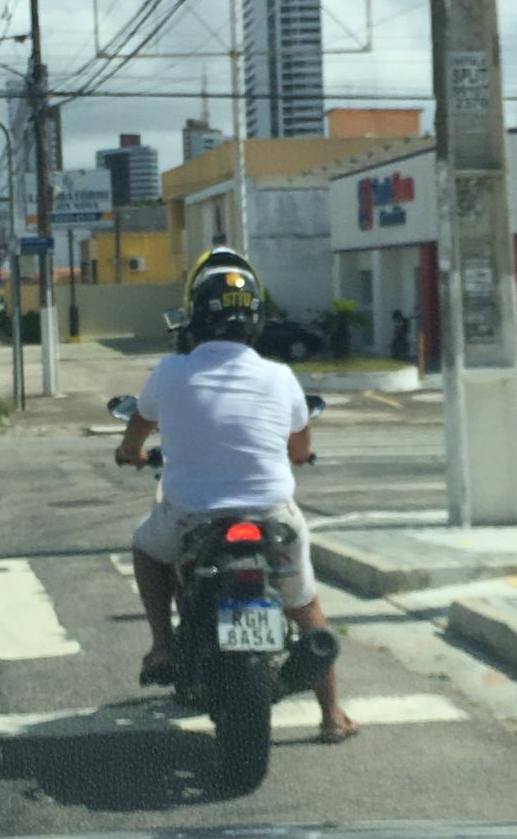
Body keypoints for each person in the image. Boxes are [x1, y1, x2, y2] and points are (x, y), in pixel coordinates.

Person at [115, 246, 358, 744]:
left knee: (145, 549)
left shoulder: (169, 372)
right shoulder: (280, 376)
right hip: (272, 517)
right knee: (305, 603)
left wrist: (131, 452)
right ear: (255, 323)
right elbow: (300, 444)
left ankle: (162, 645)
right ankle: (333, 714)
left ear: (196, 318)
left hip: (191, 518)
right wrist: (296, 454)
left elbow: (138, 429)